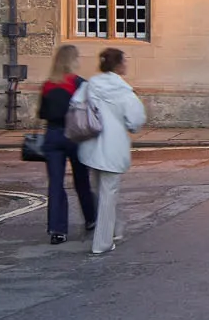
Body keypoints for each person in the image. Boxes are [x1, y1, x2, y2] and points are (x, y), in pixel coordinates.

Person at [72, 46, 146, 256]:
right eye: (124, 61)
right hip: (113, 148)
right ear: (119, 64)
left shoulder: (90, 84)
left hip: (91, 145)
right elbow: (135, 120)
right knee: (108, 194)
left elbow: (76, 104)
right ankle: (102, 243)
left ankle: (114, 229)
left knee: (101, 189)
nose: (126, 65)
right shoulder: (124, 91)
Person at [36, 45, 97, 244]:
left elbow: (42, 114)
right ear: (72, 60)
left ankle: (57, 230)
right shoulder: (78, 83)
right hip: (74, 136)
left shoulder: (47, 85)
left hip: (52, 136)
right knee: (82, 180)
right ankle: (91, 219)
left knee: (55, 184)